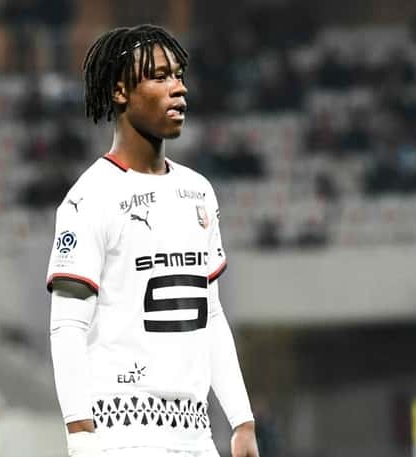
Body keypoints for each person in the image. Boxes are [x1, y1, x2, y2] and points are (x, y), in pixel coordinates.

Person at [46, 24, 259, 457]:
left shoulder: (198, 191)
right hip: (123, 437)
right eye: (160, 77)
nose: (178, 88)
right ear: (120, 91)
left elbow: (211, 314)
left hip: (197, 437)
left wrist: (241, 419)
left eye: (178, 75)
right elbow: (67, 325)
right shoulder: (89, 198)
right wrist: (80, 434)